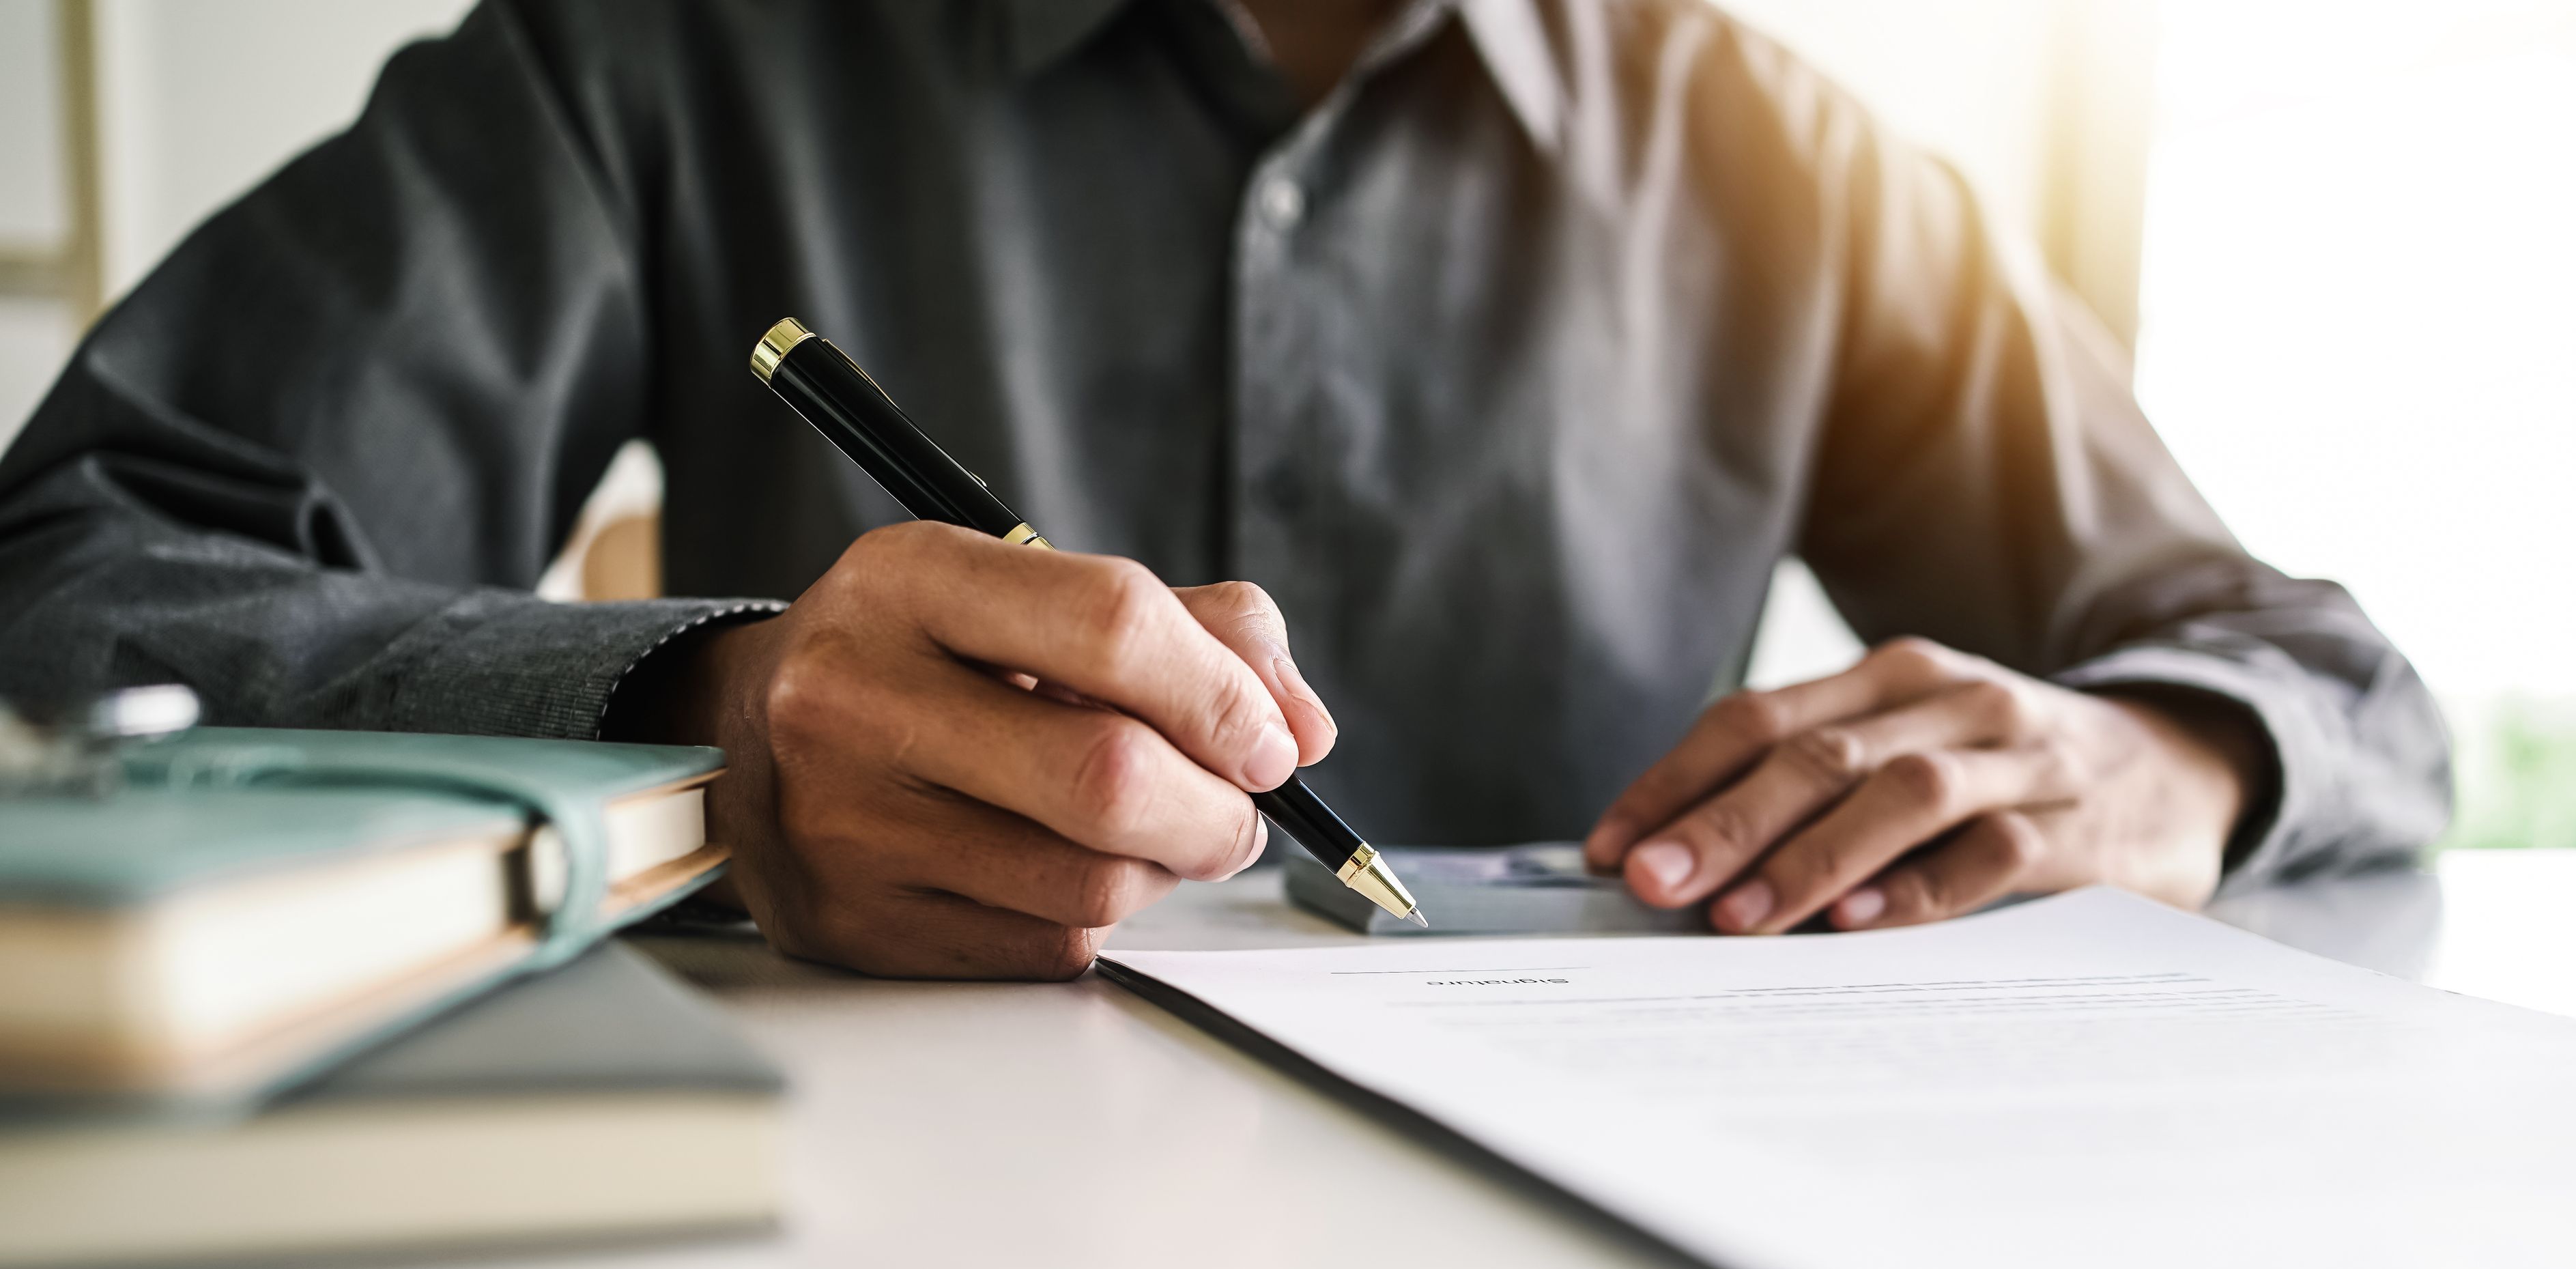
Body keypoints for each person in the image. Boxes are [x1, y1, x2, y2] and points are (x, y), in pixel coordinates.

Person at [0, 0, 2448, 978]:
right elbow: (78, 567)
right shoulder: (665, 53)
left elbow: (2333, 690)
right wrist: (701, 730)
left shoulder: (1789, 164)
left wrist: (2164, 756)